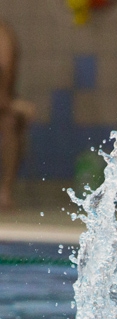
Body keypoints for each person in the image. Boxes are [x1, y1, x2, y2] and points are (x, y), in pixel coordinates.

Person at [0, 19, 33, 210]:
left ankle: (5, 191)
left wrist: (12, 105)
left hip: (4, 103)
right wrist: (17, 106)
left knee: (11, 123)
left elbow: (4, 98)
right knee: (14, 115)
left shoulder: (5, 36)